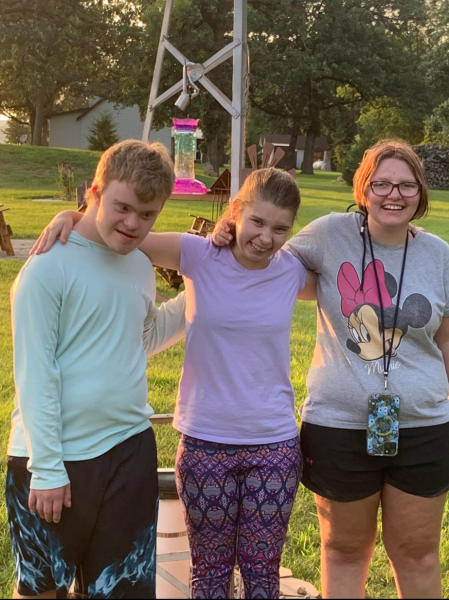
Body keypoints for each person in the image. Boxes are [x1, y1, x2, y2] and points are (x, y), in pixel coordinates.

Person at [33, 168, 317, 599]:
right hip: (205, 441)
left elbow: (349, 270)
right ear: (236, 212)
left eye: (281, 228)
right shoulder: (197, 254)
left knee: (262, 574)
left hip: (272, 445)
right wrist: (69, 216)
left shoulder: (293, 270)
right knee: (209, 571)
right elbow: (121, 232)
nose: (266, 238)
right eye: (257, 222)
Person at [216, 139, 449, 599]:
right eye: (381, 183)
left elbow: (446, 342)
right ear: (363, 188)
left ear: (420, 194)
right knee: (343, 549)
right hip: (338, 426)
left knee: (417, 552)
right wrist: (228, 228)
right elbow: (261, 256)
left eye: (405, 185)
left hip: (424, 427)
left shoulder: (440, 255)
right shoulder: (328, 234)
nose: (393, 195)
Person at [7, 139, 186, 600]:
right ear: (95, 191)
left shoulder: (139, 263)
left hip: (129, 448)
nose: (133, 224)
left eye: (147, 215)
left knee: (121, 590)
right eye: (123, 207)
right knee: (42, 590)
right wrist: (46, 468)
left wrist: (203, 294)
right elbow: (35, 374)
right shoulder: (48, 269)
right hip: (55, 459)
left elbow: (141, 338)